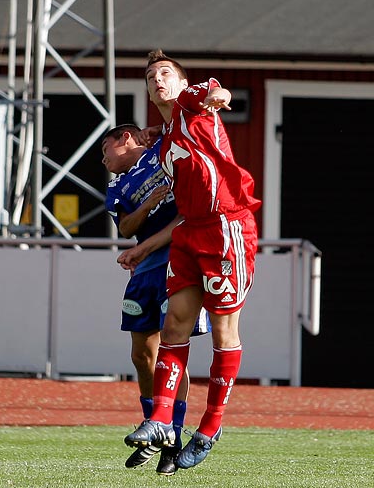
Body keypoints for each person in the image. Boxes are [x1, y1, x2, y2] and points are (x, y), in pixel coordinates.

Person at [124, 50, 261, 470]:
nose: (157, 80)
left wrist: (216, 97)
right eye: (150, 77)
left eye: (165, 73)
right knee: (174, 324)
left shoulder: (191, 101)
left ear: (181, 84)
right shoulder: (166, 136)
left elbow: (214, 91)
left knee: (223, 330)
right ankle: (162, 418)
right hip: (189, 233)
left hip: (226, 229)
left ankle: (212, 423)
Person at [102, 123, 209, 475]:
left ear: (126, 139)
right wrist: (149, 203)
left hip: (177, 257)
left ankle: (173, 434)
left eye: (106, 149)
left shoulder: (159, 150)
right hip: (145, 267)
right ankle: (153, 427)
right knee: (141, 353)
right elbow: (126, 228)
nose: (103, 159)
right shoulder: (117, 186)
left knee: (172, 348)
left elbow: (181, 119)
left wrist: (158, 129)